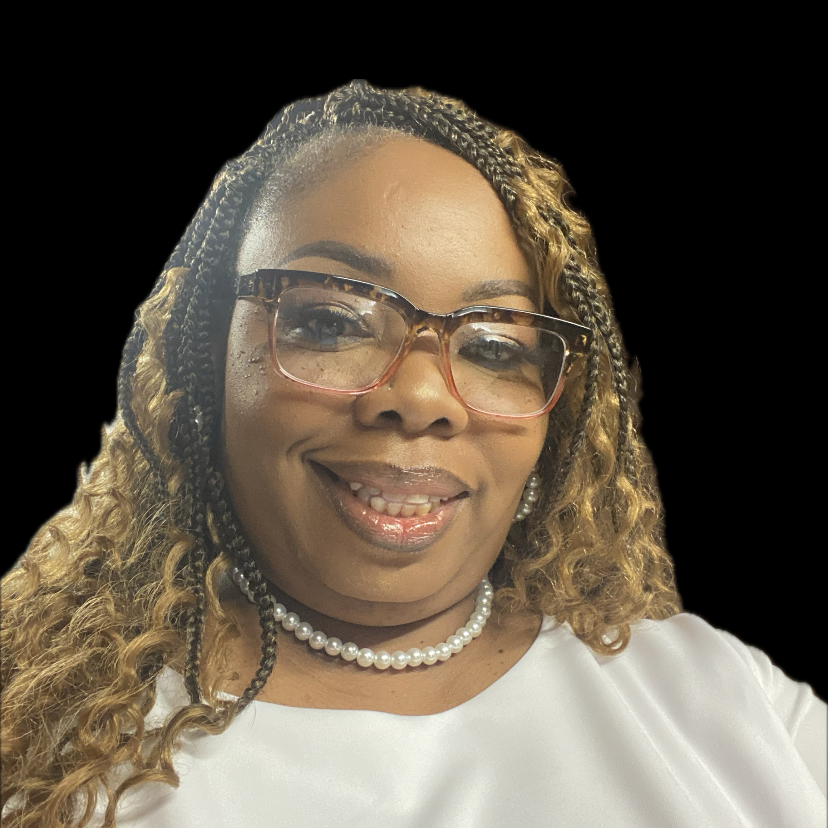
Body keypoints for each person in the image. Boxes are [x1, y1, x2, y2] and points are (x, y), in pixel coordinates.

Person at [1, 80, 824, 828]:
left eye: (495, 347)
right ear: (203, 359)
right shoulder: (38, 745)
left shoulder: (724, 700)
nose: (423, 397)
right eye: (331, 322)